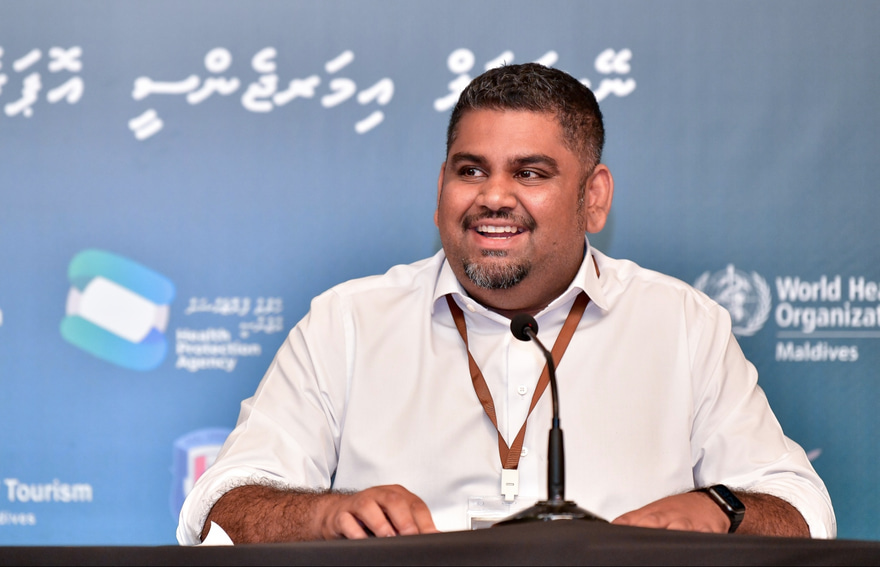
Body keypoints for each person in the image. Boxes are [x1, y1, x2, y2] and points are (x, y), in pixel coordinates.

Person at [177, 63, 835, 544]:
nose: (493, 196)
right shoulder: (348, 322)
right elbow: (215, 509)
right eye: (470, 170)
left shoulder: (681, 324)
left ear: (593, 198)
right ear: (441, 187)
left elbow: (803, 508)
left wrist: (721, 508)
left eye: (529, 173)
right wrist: (324, 514)